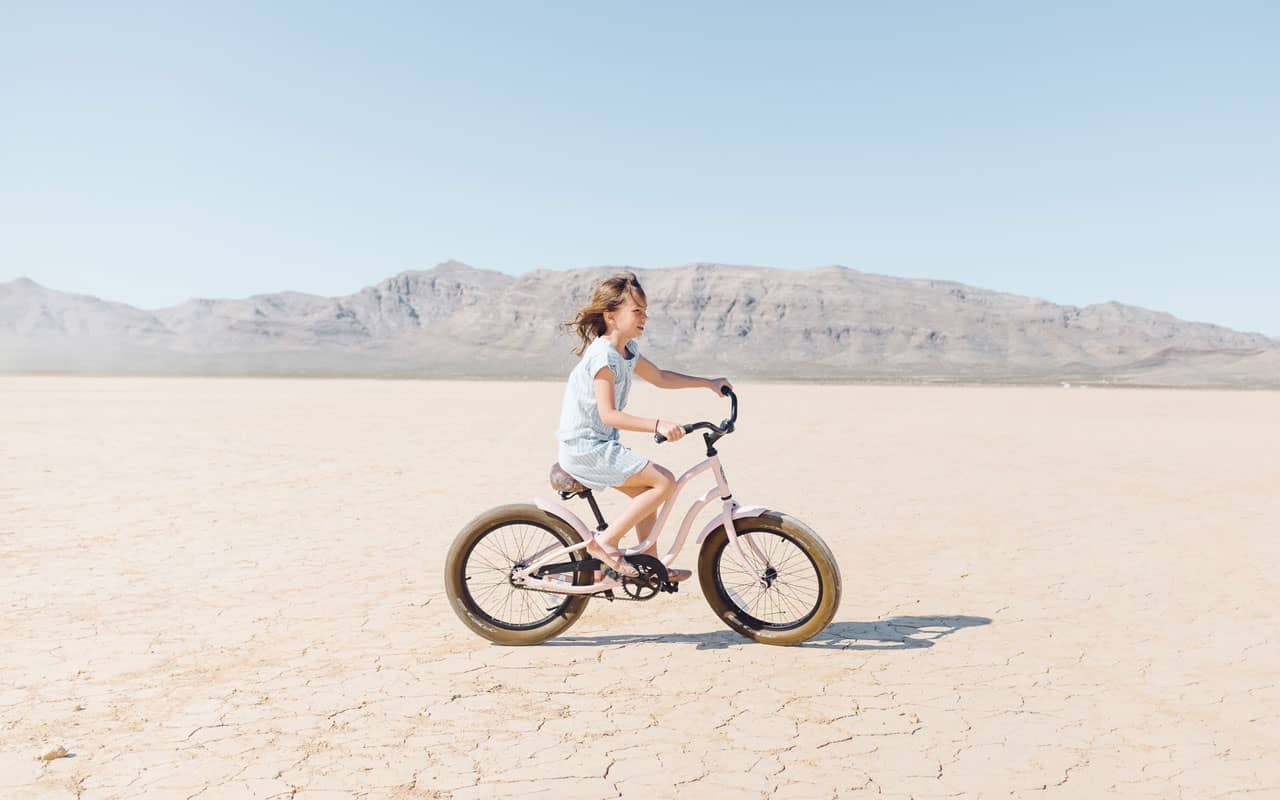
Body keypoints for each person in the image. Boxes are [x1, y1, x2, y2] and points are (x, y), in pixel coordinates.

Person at [557, 272, 733, 584]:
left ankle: (649, 565)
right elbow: (608, 414)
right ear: (611, 316)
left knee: (648, 491)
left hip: (599, 445)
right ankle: (605, 545)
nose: (645, 318)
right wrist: (658, 424)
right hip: (586, 448)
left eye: (645, 311)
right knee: (664, 481)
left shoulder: (628, 351)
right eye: (637, 311)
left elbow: (661, 377)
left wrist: (708, 384)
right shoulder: (603, 355)